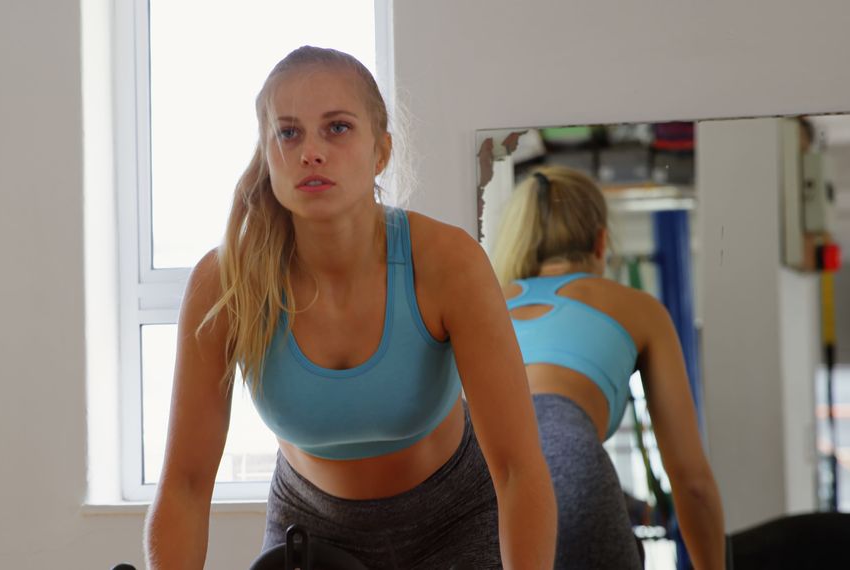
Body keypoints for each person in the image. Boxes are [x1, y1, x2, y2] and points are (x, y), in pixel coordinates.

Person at [143, 46, 556, 569]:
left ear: (381, 151)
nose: (311, 152)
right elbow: (185, 483)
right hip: (309, 528)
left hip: (454, 519)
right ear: (267, 154)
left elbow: (519, 470)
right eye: (288, 133)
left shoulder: (449, 264)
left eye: (337, 128)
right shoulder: (224, 283)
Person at [492, 165, 726, 569]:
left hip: (487, 482)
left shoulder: (488, 303)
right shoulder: (636, 307)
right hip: (570, 466)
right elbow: (692, 482)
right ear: (601, 242)